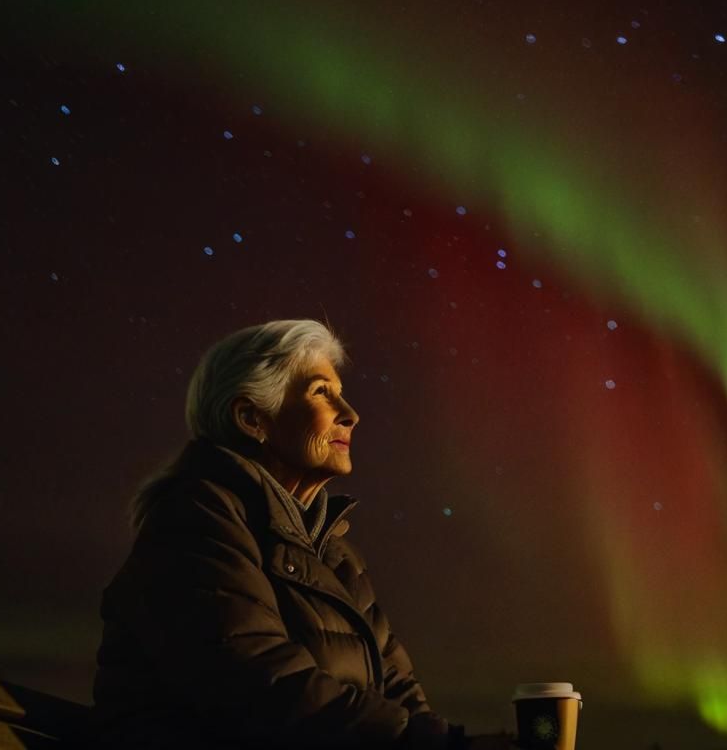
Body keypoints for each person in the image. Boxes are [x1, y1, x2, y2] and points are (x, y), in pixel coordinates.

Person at [92, 319, 518, 749]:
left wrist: (445, 741)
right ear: (251, 418)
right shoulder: (194, 520)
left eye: (340, 393)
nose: (350, 414)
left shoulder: (336, 555)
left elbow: (397, 686)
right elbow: (260, 684)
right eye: (321, 392)